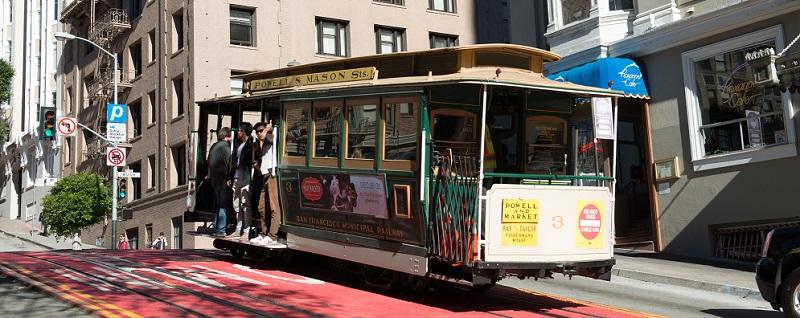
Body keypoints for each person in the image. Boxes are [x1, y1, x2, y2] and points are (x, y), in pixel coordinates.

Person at [250, 120, 282, 246]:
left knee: (274, 207)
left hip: (272, 176)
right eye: (257, 132)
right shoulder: (263, 142)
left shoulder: (272, 137)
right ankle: (263, 234)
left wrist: (269, 130)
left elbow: (274, 137)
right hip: (265, 176)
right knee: (262, 207)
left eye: (260, 131)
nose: (258, 134)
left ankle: (272, 236)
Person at [229, 122, 254, 239]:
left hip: (245, 179)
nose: (237, 132)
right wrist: (231, 177)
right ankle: (238, 229)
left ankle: (246, 230)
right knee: (237, 205)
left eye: (239, 130)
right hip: (237, 178)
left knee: (245, 205)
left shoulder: (251, 145)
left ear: (244, 132)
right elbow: (234, 162)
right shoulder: (240, 145)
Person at [207, 127, 232, 237]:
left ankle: (216, 226)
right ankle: (221, 229)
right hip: (223, 180)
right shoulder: (226, 147)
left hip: (215, 180)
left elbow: (209, 162)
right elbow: (229, 162)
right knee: (223, 205)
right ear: (227, 136)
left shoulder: (213, 146)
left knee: (219, 204)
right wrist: (230, 177)